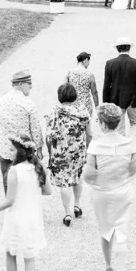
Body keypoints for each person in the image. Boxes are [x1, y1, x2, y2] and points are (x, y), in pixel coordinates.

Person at [0, 134, 52, 271]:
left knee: (11, 253)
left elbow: (10, 200)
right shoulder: (38, 168)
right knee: (29, 257)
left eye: (12, 150)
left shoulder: (14, 171)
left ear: (21, 152)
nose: (10, 153)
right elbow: (48, 191)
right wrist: (32, 191)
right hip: (33, 218)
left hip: (16, 218)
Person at [83, 103, 136, 271]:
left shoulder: (96, 146)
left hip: (101, 193)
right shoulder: (129, 144)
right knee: (121, 232)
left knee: (105, 229)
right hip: (123, 192)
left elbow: (88, 176)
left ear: (103, 124)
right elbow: (134, 170)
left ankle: (108, 266)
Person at [45, 83, 92, 227]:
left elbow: (48, 136)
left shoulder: (54, 113)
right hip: (78, 150)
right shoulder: (82, 112)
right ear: (74, 96)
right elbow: (90, 133)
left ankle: (67, 214)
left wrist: (50, 151)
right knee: (77, 176)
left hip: (60, 152)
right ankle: (77, 205)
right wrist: (86, 147)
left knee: (64, 182)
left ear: (60, 96)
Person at [0, 69, 43, 194]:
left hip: (5, 150)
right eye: (28, 83)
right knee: (26, 182)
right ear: (20, 84)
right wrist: (39, 149)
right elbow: (35, 130)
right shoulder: (29, 104)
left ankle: (10, 207)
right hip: (25, 152)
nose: (31, 86)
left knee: (7, 181)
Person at [102, 37, 136, 137]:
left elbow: (106, 85)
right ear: (129, 48)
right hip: (133, 100)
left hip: (116, 100)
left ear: (117, 48)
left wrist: (105, 104)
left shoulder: (110, 63)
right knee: (135, 124)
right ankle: (133, 146)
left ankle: (121, 149)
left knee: (119, 127)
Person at [66, 51, 99, 119]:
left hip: (73, 105)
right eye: (89, 62)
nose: (88, 65)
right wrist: (97, 106)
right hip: (86, 106)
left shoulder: (70, 73)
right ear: (86, 60)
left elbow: (66, 90)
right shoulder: (90, 75)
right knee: (86, 126)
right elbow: (94, 92)